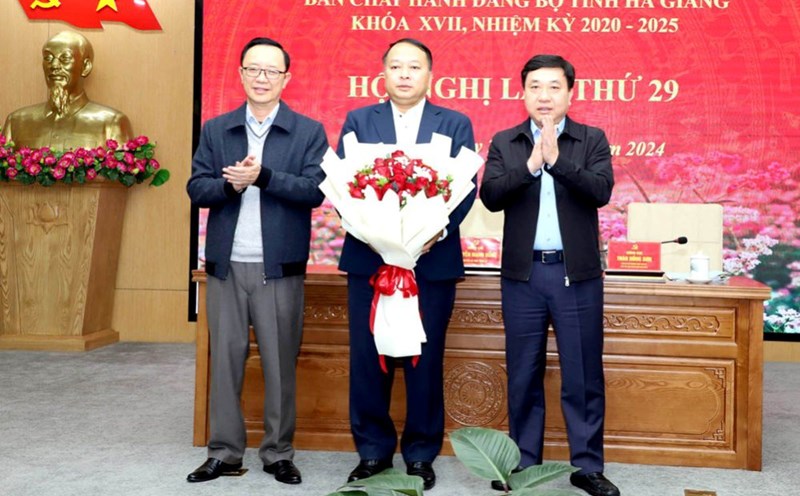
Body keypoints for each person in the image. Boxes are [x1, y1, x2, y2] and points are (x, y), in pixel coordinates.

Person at [335, 38, 476, 491]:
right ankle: (373, 452)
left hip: (431, 262)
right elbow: (344, 188)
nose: (404, 74)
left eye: (413, 66)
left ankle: (420, 453)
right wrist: (375, 234)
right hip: (371, 262)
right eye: (395, 66)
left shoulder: (454, 123)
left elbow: (466, 188)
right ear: (384, 73)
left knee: (423, 360)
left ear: (430, 75)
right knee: (369, 358)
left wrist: (432, 233)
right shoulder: (360, 120)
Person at [185, 37, 328, 486]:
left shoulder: (308, 131)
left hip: (279, 269)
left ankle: (277, 452)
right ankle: (225, 452)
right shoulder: (217, 129)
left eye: (271, 71)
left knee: (279, 365)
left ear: (287, 78)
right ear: (241, 74)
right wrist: (232, 186)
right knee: (224, 363)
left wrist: (262, 177)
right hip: (226, 267)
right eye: (253, 69)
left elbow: (315, 192)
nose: (261, 78)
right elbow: (196, 188)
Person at [479, 54, 619, 496]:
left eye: (553, 86)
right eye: (535, 86)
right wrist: (531, 167)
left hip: (575, 276)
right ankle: (522, 463)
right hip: (523, 277)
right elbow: (491, 197)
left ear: (570, 93)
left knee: (582, 374)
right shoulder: (506, 141)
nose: (544, 95)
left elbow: (601, 191)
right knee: (523, 373)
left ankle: (587, 465)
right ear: (522, 93)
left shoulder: (590, 139)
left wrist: (559, 161)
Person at [1, 31, 132, 150]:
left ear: (86, 67)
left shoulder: (112, 123)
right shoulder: (17, 122)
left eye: (65, 58)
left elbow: (121, 175)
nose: (54, 66)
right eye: (48, 58)